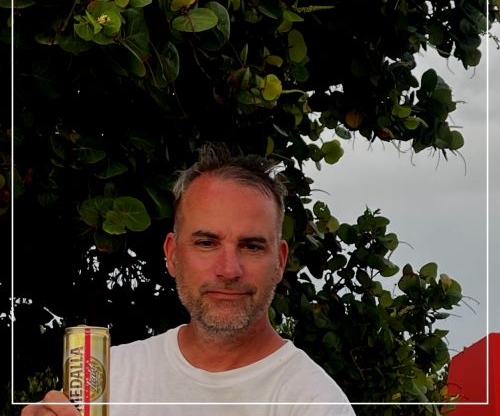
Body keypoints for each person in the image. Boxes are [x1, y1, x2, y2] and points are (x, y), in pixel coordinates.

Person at [22, 144, 356, 415]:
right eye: (206, 243)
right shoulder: (112, 377)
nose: (228, 270)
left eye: (251, 246)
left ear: (280, 261)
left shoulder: (313, 402)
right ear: (172, 255)